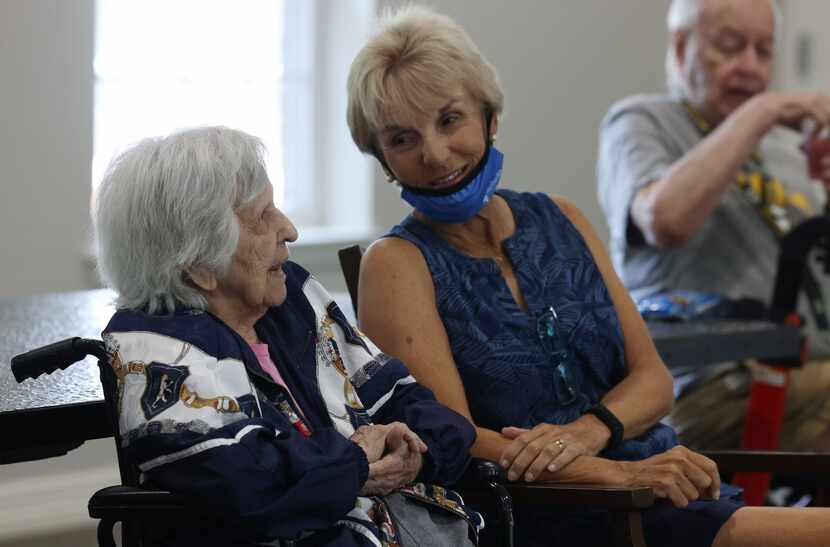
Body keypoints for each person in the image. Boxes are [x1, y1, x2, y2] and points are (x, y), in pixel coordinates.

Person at [345, 5, 830, 547]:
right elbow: (450, 440)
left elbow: (653, 380)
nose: (435, 155)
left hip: (664, 483)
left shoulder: (561, 217)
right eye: (402, 140)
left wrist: (588, 432)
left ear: (490, 114)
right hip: (557, 508)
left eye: (449, 119)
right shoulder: (394, 263)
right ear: (382, 158)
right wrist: (613, 473)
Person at [93, 126, 480, 547]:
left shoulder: (290, 299)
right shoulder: (156, 349)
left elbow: (417, 408)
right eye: (263, 217)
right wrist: (356, 463)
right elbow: (248, 482)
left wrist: (412, 458)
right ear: (198, 265)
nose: (289, 229)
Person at [596, 0, 830, 453]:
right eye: (729, 47)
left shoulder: (787, 153)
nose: (749, 66)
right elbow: (665, 220)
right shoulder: (643, 121)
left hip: (805, 372)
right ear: (681, 47)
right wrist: (760, 113)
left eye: (763, 52)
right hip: (706, 385)